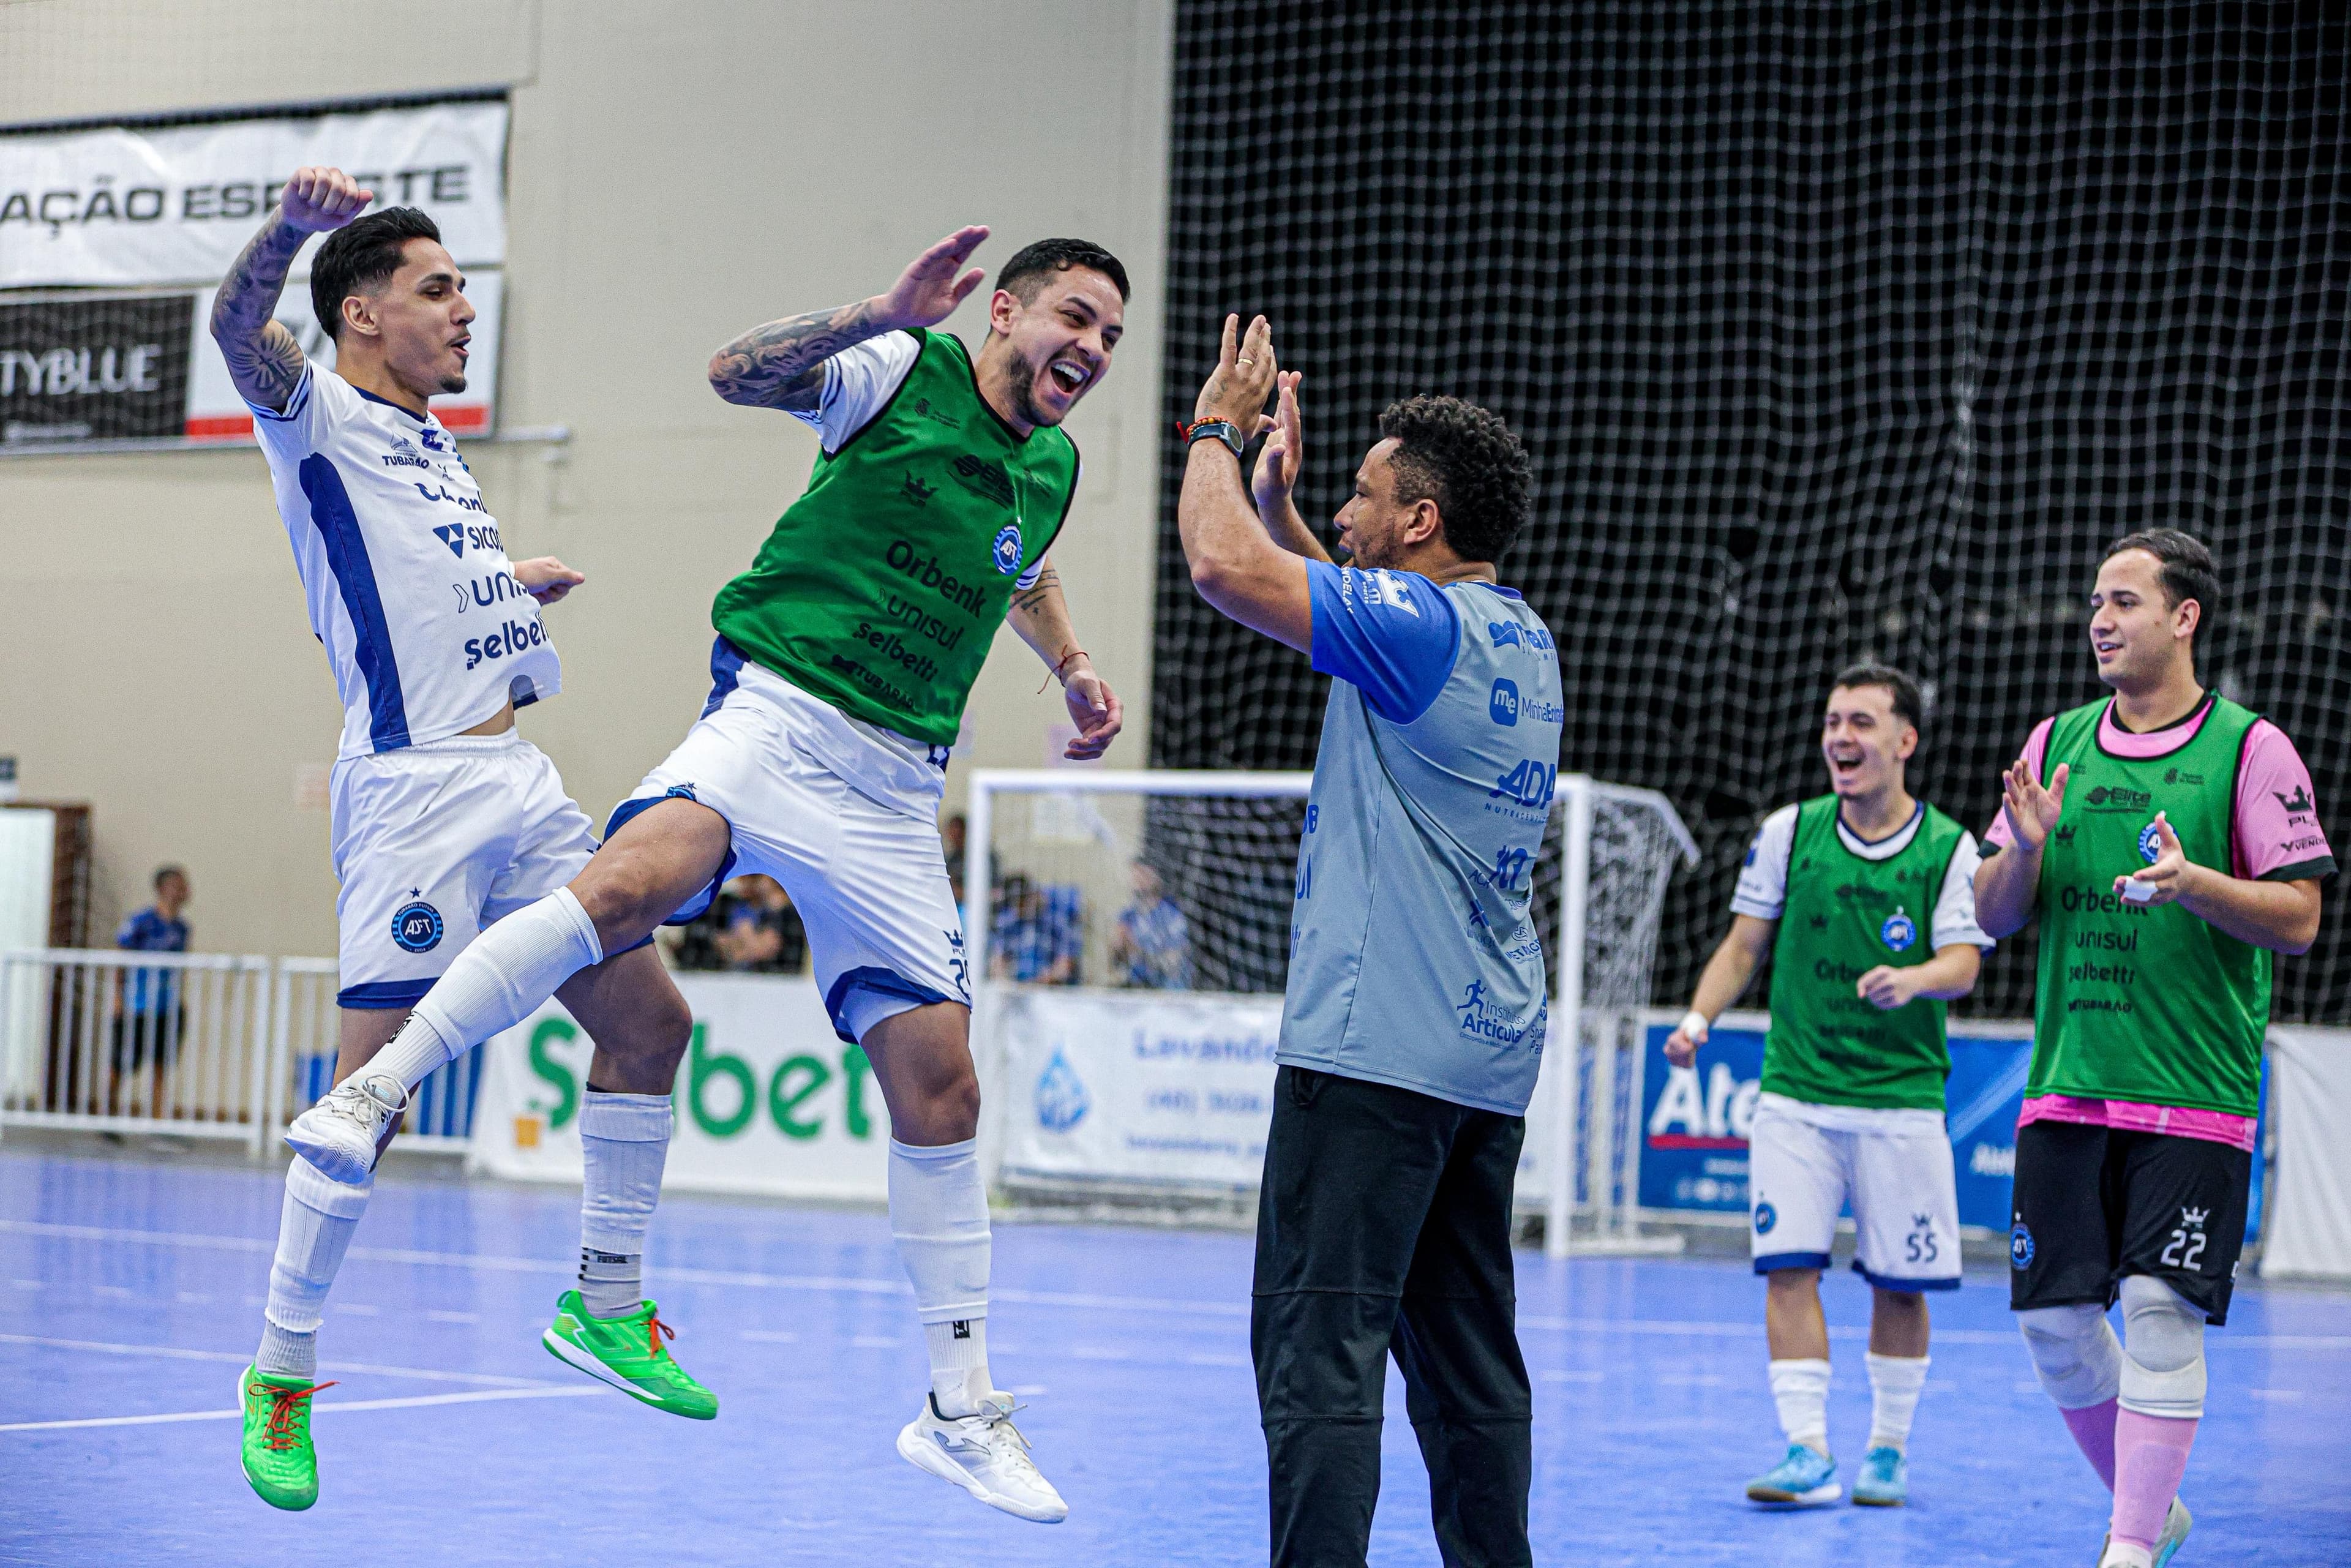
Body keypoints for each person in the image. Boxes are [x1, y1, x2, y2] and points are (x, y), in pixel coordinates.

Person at [295, 226, 1131, 1523]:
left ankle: (961, 1407)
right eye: (1075, 316)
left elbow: (1015, 558)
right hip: (781, 711)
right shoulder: (900, 368)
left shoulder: (1057, 459)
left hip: (900, 785)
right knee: (630, 884)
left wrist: (1071, 662)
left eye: (1113, 336)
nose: (1092, 347)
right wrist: (876, 309)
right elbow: (735, 372)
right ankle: (376, 1091)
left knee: (944, 1083)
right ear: (1007, 312)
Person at [210, 169, 707, 1512]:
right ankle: (281, 1370)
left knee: (652, 1026)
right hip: (414, 796)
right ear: (361, 314)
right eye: (438, 289)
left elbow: (420, 583)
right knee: (363, 1105)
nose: (463, 310)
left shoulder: (435, 447)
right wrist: (291, 233)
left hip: (519, 779)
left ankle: (606, 1303)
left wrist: (510, 580)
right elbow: (233, 323)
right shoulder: (311, 412)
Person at [1180, 318, 1554, 1568]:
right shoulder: (1516, 636)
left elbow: (1223, 569)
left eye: (1362, 495)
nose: (1343, 509)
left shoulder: (1416, 629)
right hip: (1479, 1060)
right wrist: (1293, 511)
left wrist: (1218, 437)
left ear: (1420, 521)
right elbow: (1344, 610)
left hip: (1371, 1050)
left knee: (1316, 1354)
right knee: (1467, 1362)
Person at [1974, 528, 2332, 1568]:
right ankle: (2153, 1511)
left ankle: (2128, 1545)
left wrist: (2198, 886)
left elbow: (2300, 917)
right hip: (2068, 1087)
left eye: (2126, 601)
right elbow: (1995, 917)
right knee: (2054, 1327)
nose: (2100, 618)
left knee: (2159, 1310)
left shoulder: (2250, 749)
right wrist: (2028, 845)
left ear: (2185, 618)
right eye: (2095, 600)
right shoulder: (2055, 745)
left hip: (2194, 1093)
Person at [1664, 665, 1993, 1509]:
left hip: (1901, 1101)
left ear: (1904, 741)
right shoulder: (1788, 832)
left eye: (1861, 723)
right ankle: (1806, 1451)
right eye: (1832, 721)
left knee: (1900, 1282)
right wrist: (1698, 1020)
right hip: (1795, 1099)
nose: (1841, 738)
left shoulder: (1950, 847)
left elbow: (1963, 963)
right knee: (1789, 1269)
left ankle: (1887, 1448)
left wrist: (1914, 977)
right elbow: (1743, 947)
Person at [111, 865, 192, 1119]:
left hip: (167, 1007)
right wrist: (118, 998)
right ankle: (108, 1113)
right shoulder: (140, 923)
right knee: (124, 1063)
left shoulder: (182, 929)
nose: (182, 891)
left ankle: (158, 1120)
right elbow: (120, 957)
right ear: (161, 889)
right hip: (137, 1005)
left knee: (162, 1065)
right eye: (176, 886)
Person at [1111, 861, 1192, 989]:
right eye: (1135, 876)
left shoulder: (1172, 915)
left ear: (1156, 878)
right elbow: (1117, 964)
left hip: (1169, 993)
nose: (1138, 881)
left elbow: (1173, 963)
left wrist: (1137, 950)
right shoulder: (1128, 916)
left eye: (1143, 875)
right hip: (1138, 990)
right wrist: (1120, 947)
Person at [715, 874, 808, 973]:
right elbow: (720, 942)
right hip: (734, 972)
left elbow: (767, 948)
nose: (747, 883)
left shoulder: (784, 911)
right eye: (743, 878)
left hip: (775, 976)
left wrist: (745, 941)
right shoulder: (733, 904)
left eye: (754, 878)